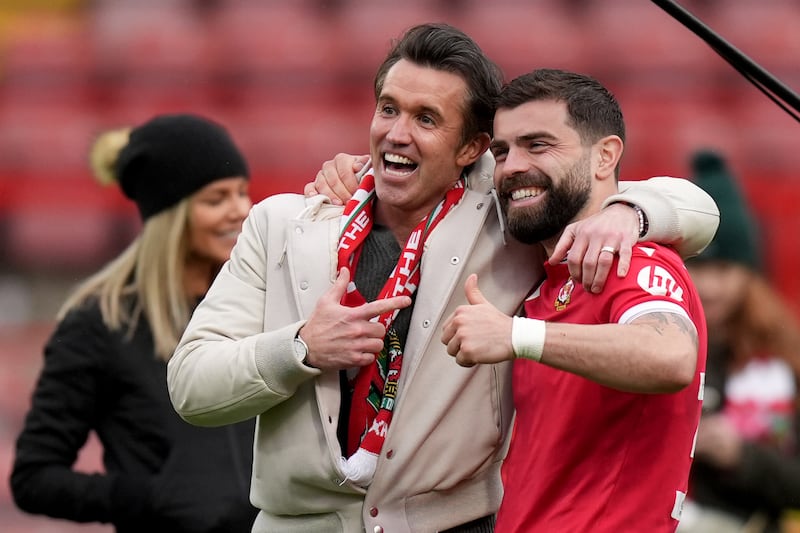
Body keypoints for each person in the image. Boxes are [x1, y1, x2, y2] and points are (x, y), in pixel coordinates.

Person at [167, 24, 718, 532]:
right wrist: (300, 348)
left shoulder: (510, 217)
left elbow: (695, 210)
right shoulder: (285, 223)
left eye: (426, 119)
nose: (397, 134)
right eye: (388, 109)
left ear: (471, 149)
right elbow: (192, 385)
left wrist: (630, 210)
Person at [440, 68, 707, 532]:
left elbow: (671, 356)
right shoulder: (550, 281)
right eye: (501, 152)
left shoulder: (632, 262)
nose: (512, 166)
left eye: (538, 145)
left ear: (605, 157)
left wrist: (515, 334)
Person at [10, 114, 258, 533]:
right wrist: (151, 497)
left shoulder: (257, 302)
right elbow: (34, 478)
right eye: (217, 199)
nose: (242, 211)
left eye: (242, 193)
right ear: (170, 215)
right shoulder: (99, 322)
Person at [678, 150, 800, 533]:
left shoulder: (785, 357)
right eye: (698, 268)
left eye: (724, 269)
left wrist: (740, 456)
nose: (710, 286)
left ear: (749, 274)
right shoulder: (656, 339)